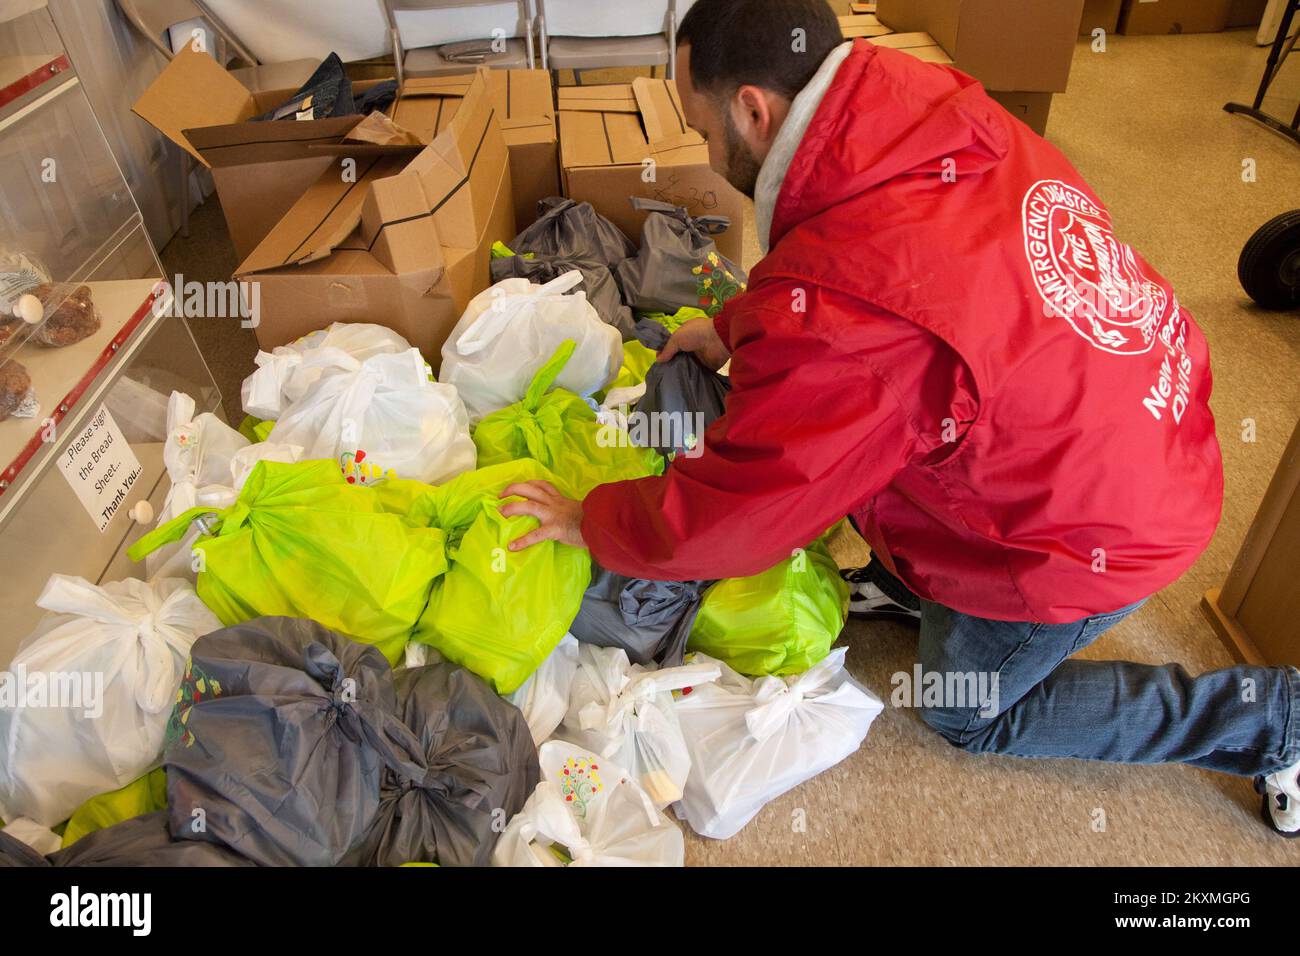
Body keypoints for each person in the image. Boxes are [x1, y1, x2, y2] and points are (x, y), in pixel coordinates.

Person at [500, 0, 1300, 837]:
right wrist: (736, 327)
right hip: (1145, 411)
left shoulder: (848, 316)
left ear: (752, 110)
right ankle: (920, 580)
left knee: (969, 712)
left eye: (702, 132)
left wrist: (592, 521)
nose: (704, 154)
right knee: (890, 442)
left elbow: (748, 508)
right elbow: (867, 282)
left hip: (1091, 525)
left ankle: (1265, 720)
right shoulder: (918, 104)